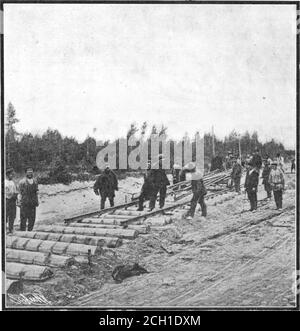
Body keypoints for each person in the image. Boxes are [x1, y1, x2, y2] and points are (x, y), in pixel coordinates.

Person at [18, 167, 39, 231]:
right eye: (28, 171)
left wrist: (37, 201)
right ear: (26, 173)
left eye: (31, 171)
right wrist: (19, 202)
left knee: (32, 218)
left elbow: (36, 192)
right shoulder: (22, 182)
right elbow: (19, 193)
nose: (30, 173)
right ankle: (23, 231)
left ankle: (30, 230)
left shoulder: (35, 181)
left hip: (32, 202)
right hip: (25, 202)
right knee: (23, 218)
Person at [5, 167, 18, 234]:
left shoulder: (12, 182)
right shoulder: (5, 182)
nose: (12, 176)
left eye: (12, 174)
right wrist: (11, 195)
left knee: (12, 215)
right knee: (6, 215)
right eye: (11, 174)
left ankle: (11, 228)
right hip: (7, 201)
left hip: (13, 201)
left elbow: (15, 191)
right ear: (7, 175)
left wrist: (16, 195)